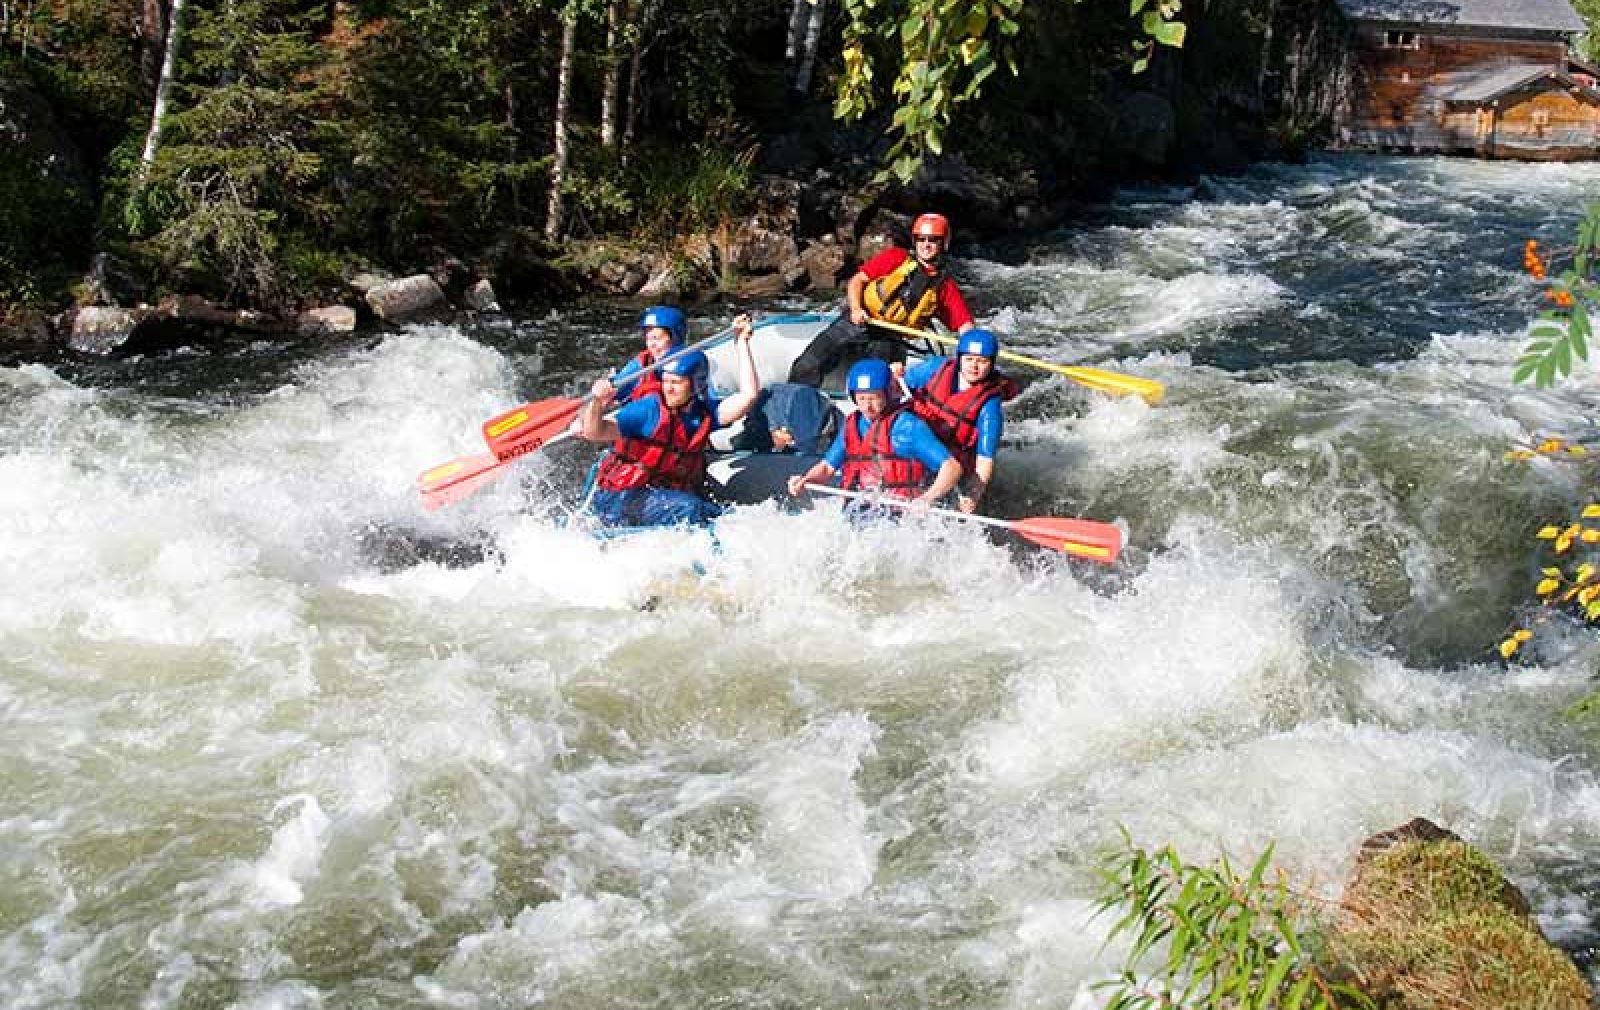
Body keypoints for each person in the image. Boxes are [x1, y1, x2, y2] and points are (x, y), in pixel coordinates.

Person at [579, 313, 760, 527]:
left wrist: (741, 343)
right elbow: (594, 432)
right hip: (622, 496)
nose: (668, 388)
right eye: (666, 381)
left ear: (695, 385)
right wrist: (597, 403)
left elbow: (748, 396)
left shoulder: (706, 414)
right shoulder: (649, 410)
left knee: (720, 516)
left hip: (663, 494)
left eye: (676, 382)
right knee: (690, 508)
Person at [787, 212, 976, 387]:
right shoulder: (896, 258)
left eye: (933, 240)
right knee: (805, 366)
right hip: (859, 320)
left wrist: (973, 349)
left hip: (891, 338)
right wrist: (855, 309)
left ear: (944, 244)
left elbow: (965, 325)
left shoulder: (945, 287)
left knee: (876, 385)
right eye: (921, 239)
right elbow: (856, 281)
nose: (926, 245)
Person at [786, 358, 962, 507]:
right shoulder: (852, 425)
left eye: (874, 398)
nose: (867, 406)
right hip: (859, 508)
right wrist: (805, 480)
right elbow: (827, 468)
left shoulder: (909, 427)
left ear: (888, 393)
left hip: (900, 514)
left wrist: (926, 500)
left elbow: (952, 468)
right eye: (861, 398)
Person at [896, 327, 1018, 514]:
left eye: (982, 361)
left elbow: (985, 459)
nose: (974, 366)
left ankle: (930, 497)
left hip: (953, 464)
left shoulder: (989, 406)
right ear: (959, 358)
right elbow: (900, 386)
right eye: (969, 359)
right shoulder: (936, 367)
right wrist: (895, 375)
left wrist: (973, 494)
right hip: (920, 444)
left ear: (991, 364)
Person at [611, 304, 687, 402]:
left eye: (656, 338)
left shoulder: (694, 363)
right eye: (648, 339)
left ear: (675, 339)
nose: (651, 345)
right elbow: (612, 390)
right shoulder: (641, 365)